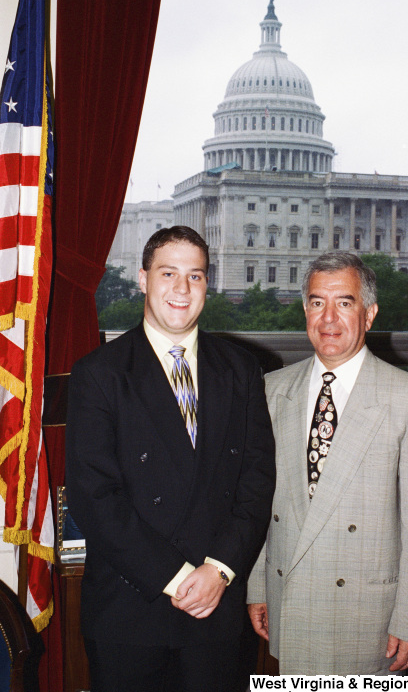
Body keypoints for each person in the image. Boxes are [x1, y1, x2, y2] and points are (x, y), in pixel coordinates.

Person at [66, 226, 275, 692]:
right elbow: (94, 496)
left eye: (195, 276)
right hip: (129, 611)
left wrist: (219, 569)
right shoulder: (98, 374)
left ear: (207, 284)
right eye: (168, 273)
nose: (181, 289)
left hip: (214, 608)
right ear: (142, 279)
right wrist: (178, 578)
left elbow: (257, 481)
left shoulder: (241, 369)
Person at [247, 251, 408, 675]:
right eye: (318, 302)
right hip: (290, 596)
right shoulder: (270, 390)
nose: (328, 318)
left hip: (369, 614)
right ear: (305, 310)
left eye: (345, 302)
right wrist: (257, 585)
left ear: (370, 313)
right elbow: (260, 500)